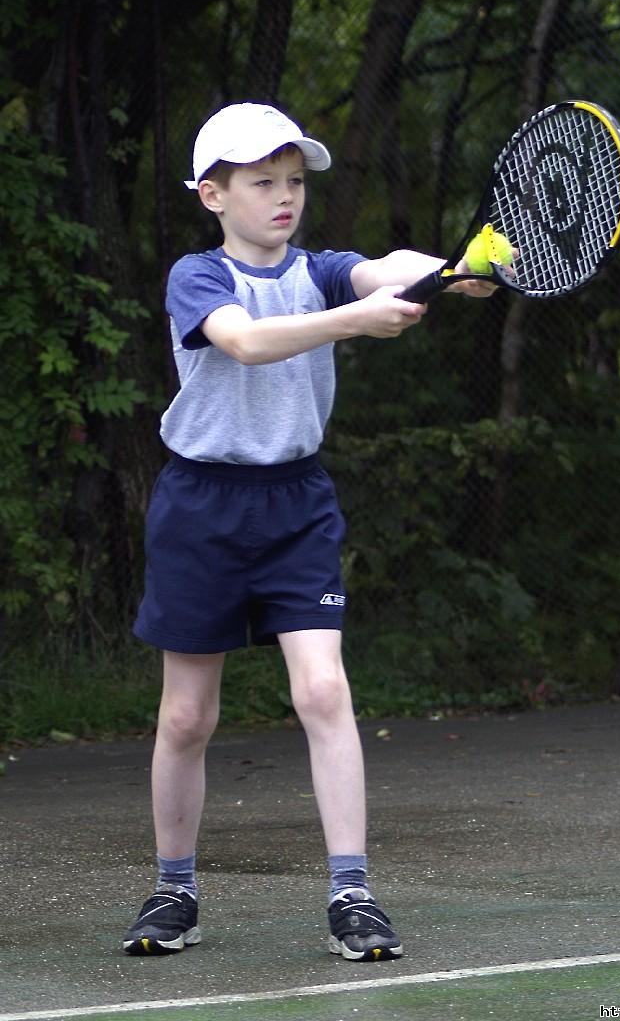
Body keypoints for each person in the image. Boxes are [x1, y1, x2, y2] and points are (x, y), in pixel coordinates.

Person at [124, 102, 495, 962]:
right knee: (185, 717)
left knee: (323, 691)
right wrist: (353, 323)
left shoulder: (320, 269)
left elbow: (380, 270)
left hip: (297, 505)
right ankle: (173, 888)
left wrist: (448, 268)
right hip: (200, 506)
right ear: (212, 195)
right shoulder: (197, 277)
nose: (283, 196)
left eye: (293, 181)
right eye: (261, 183)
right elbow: (247, 344)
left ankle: (352, 895)